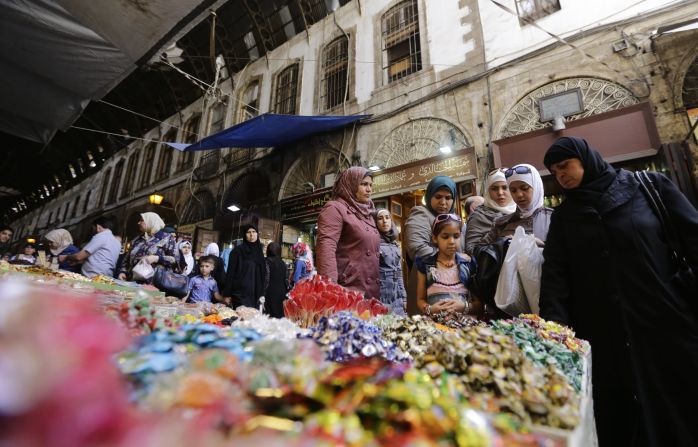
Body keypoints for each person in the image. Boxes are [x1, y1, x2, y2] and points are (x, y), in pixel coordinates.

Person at [539, 136, 698, 447]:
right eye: (554, 172)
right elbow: (556, 280)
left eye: (565, 166)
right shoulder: (564, 218)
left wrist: (682, 293)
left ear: (586, 160)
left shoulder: (649, 187)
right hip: (605, 337)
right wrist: (553, 335)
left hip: (666, 325)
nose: (561, 176)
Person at [404, 176, 467, 314]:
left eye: (448, 197)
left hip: (456, 287)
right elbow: (418, 248)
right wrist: (451, 261)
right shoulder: (421, 213)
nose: (443, 202)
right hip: (428, 283)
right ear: (429, 196)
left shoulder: (454, 219)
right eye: (438, 196)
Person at [316, 166, 380, 299]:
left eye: (370, 185)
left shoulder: (368, 213)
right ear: (350, 184)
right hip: (347, 292)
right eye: (363, 184)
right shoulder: (334, 208)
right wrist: (330, 291)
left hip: (371, 291)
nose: (369, 189)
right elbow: (326, 250)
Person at [415, 213, 479, 317]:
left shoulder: (468, 264)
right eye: (445, 237)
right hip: (435, 328)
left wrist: (464, 306)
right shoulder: (425, 264)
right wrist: (430, 309)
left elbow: (479, 305)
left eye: (456, 236)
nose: (452, 242)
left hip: (463, 329)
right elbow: (420, 300)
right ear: (435, 238)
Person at [481, 164, 552, 246]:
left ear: (536, 187)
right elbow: (480, 250)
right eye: (513, 190)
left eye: (524, 188)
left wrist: (542, 246)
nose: (519, 194)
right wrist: (502, 244)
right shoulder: (502, 223)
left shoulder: (554, 218)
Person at [465, 169, 516, 255]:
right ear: (488, 191)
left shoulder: (523, 211)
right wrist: (497, 236)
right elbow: (471, 250)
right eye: (494, 188)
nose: (500, 193)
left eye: (505, 187)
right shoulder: (479, 216)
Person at [118, 212, 180, 282]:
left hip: (153, 284)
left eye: (142, 220)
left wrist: (157, 258)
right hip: (132, 281)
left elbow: (176, 260)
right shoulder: (138, 239)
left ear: (151, 221)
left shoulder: (166, 238)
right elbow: (127, 258)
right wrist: (123, 272)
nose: (139, 223)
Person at [224, 224, 265, 308]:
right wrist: (227, 294)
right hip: (241, 294)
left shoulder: (259, 251)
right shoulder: (237, 251)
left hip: (256, 294)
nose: (251, 234)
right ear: (244, 235)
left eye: (254, 232)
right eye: (248, 232)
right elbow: (230, 273)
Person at [374, 209, 407, 315]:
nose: (385, 221)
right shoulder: (372, 243)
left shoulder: (395, 245)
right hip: (381, 298)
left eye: (387, 217)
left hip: (398, 299)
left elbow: (399, 273)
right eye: (380, 218)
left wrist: (404, 298)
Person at [264, 242, 289, 318]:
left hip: (269, 294)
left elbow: (265, 279)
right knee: (278, 318)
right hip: (281, 294)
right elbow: (285, 279)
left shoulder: (265, 261)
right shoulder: (283, 263)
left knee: (267, 318)